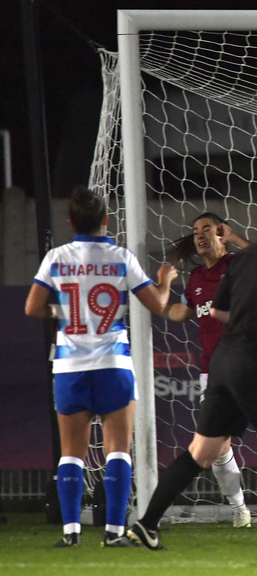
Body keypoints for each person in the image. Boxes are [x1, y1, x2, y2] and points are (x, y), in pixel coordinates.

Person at [128, 187, 257, 552]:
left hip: (222, 363)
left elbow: (217, 312)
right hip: (253, 363)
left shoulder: (242, 261)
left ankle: (146, 525)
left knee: (200, 453)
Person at [24, 186, 175, 548]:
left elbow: (32, 308)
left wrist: (63, 313)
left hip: (70, 366)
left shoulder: (56, 257)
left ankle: (70, 532)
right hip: (112, 363)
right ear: (106, 220)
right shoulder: (121, 257)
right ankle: (113, 532)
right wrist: (166, 281)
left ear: (71, 222)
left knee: (71, 452)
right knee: (118, 450)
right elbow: (157, 304)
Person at [163, 212, 257, 527]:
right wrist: (155, 295)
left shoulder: (236, 264)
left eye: (206, 229)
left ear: (221, 232)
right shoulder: (195, 279)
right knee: (217, 448)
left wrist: (235, 238)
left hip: (250, 361)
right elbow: (183, 313)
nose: (199, 235)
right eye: (194, 231)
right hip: (213, 370)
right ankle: (240, 509)